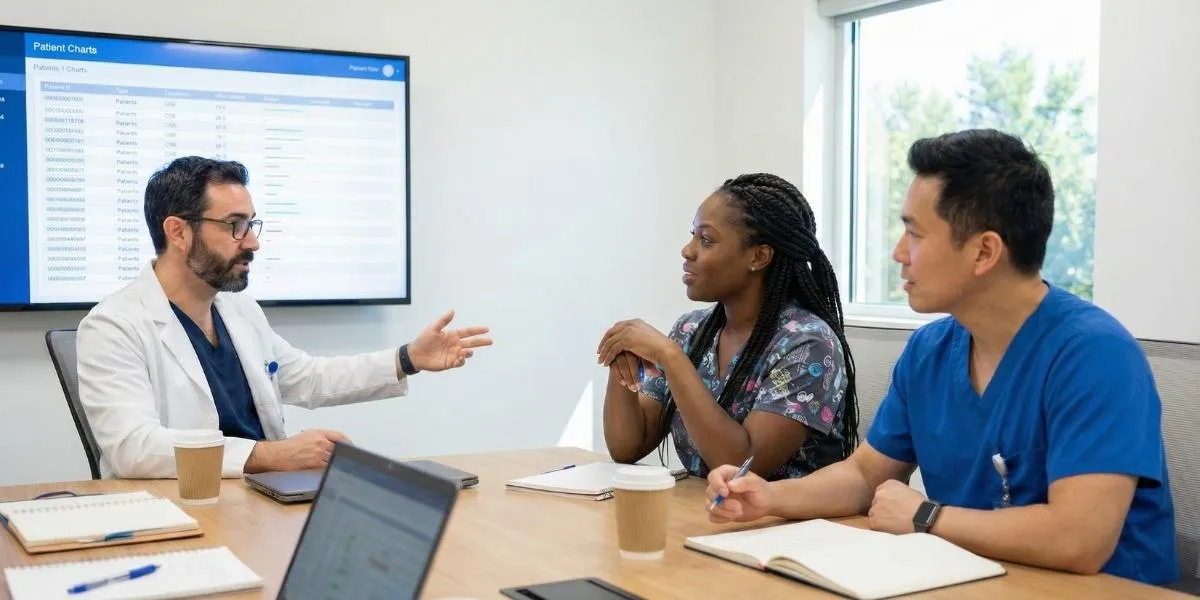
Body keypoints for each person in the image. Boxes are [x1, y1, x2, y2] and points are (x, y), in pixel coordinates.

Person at [705, 130, 1178, 585]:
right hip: (968, 580)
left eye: (914, 234)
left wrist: (926, 515)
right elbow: (864, 474)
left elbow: (1080, 539)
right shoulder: (929, 350)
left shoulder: (1095, 354)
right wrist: (767, 496)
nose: (898, 254)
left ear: (984, 251)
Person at [77, 156, 492, 479]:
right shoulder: (113, 326)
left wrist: (408, 358)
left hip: (258, 498)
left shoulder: (238, 310)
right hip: (176, 509)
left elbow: (307, 378)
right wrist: (269, 455)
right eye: (235, 226)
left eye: (251, 224)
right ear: (178, 232)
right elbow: (134, 448)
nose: (253, 242)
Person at [596, 173, 859, 481]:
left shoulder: (809, 345)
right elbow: (627, 447)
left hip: (785, 524)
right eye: (693, 235)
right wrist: (622, 360)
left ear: (759, 256)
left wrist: (670, 357)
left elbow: (740, 466)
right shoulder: (690, 330)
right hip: (703, 516)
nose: (687, 250)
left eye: (706, 240)